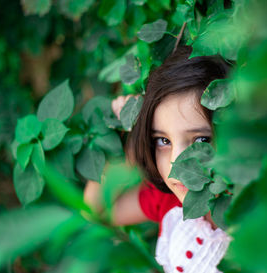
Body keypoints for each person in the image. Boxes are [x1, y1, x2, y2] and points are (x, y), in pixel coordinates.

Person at [84, 46, 232, 273]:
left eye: (202, 140)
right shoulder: (169, 204)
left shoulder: (260, 215)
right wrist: (132, 141)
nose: (176, 164)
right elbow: (96, 212)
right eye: (163, 140)